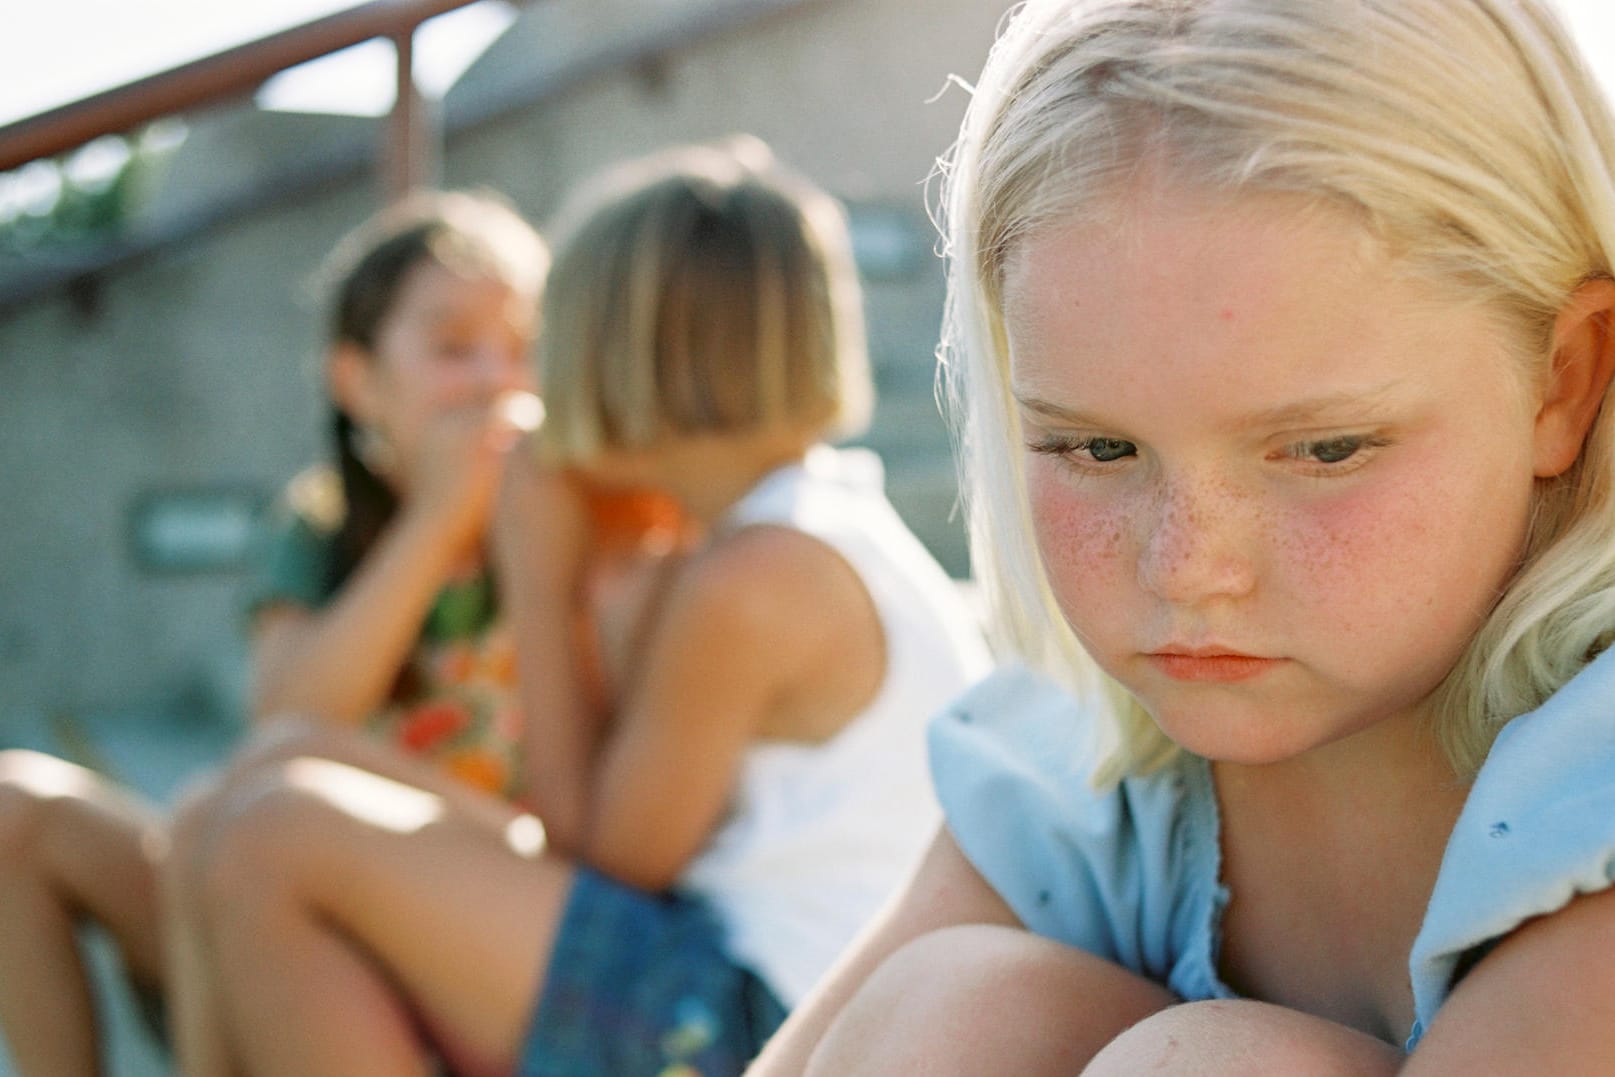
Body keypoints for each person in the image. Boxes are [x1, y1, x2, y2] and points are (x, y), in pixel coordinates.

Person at [747, 0, 1615, 1073]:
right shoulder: (1094, 779)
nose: (1188, 568)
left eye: (1327, 450)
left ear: (1562, 379)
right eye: (1096, 451)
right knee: (955, 1008)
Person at [163, 136, 994, 1076]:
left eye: (545, 343)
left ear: (622, 359)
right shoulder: (782, 525)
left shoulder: (755, 579)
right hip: (736, 972)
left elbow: (600, 858)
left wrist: (540, 580)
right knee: (271, 770)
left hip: (775, 1023)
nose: (528, 383)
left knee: (277, 839)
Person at [0, 188, 555, 1075]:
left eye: (524, 350)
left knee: (249, 827)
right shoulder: (322, 525)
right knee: (16, 807)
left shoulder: (568, 523)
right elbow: (293, 716)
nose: (495, 378)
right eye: (454, 348)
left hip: (456, 909)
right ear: (357, 379)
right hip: (288, 879)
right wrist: (434, 526)